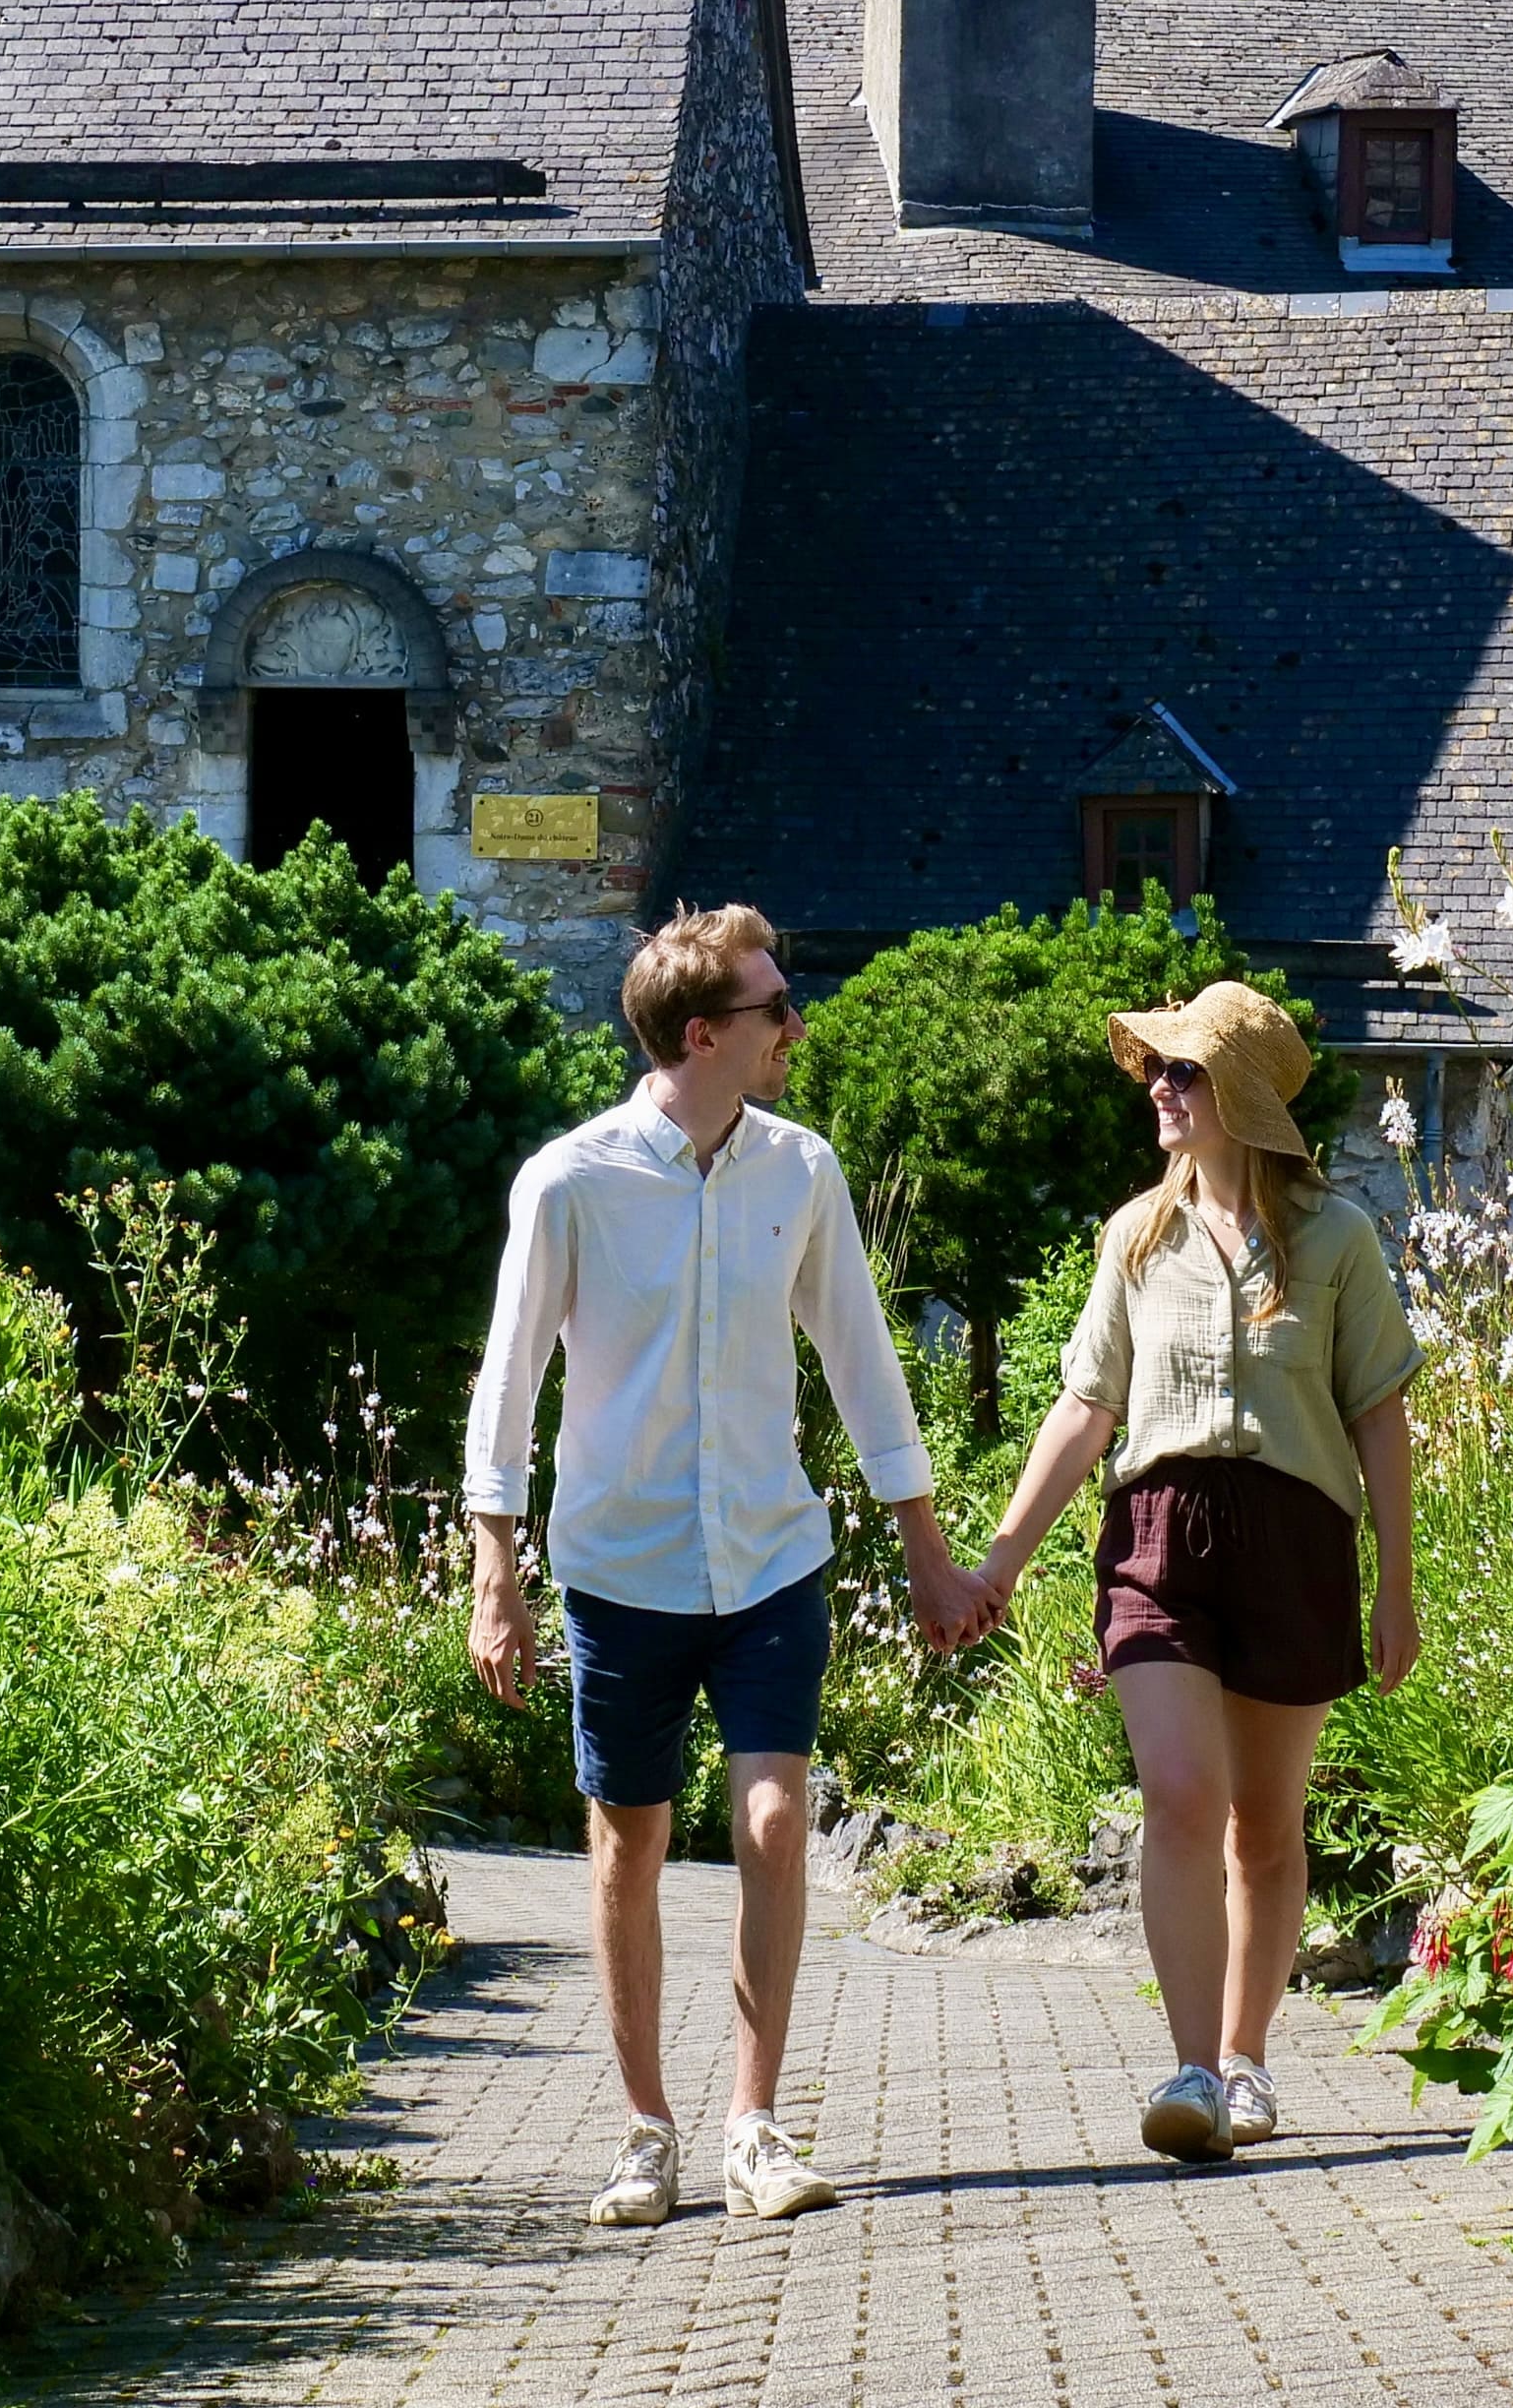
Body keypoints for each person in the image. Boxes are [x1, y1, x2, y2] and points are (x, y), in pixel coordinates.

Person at [464, 902, 995, 2232]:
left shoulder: (801, 1172)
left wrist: (928, 1552)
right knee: (629, 1844)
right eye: (774, 1009)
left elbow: (862, 1361)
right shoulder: (570, 1182)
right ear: (703, 1036)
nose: (794, 1027)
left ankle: (753, 2124)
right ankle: (645, 2131)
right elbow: (508, 1383)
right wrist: (496, 1574)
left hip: (768, 1558)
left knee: (770, 1823)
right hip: (621, 1570)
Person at [964, 977, 1421, 2164]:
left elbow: (1377, 1413)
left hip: (1295, 1542)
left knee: (1264, 1828)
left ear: (1244, 1096)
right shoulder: (1136, 1236)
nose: (1159, 1089)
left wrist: (1397, 1583)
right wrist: (1003, 1556)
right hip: (1156, 1539)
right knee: (1179, 1793)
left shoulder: (1336, 1238)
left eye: (1184, 1072)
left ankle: (1248, 2054)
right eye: (1159, 1070)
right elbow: (1086, 1405)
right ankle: (1194, 2072)